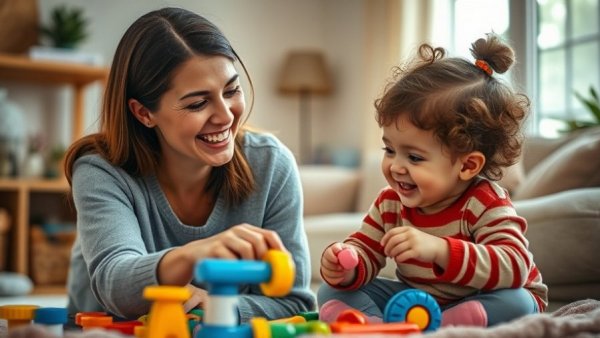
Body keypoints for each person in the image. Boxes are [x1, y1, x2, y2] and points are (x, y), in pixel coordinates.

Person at [64, 7, 315, 322]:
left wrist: (217, 306)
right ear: (144, 113)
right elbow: (115, 285)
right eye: (198, 103)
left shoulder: (271, 164)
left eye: (232, 90)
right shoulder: (101, 169)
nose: (225, 116)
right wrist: (193, 255)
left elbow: (296, 303)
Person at [317, 33, 548, 327]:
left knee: (519, 301)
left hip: (483, 298)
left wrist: (439, 249)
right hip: (418, 299)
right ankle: (380, 328)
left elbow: (515, 265)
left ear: (467, 165)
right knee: (330, 290)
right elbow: (366, 251)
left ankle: (436, 328)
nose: (396, 167)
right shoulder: (390, 202)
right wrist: (346, 262)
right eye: (390, 150)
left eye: (414, 158)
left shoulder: (485, 202)